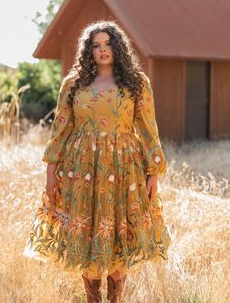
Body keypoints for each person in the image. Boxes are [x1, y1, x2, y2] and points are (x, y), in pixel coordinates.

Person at [23, 20, 171, 303]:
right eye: (96, 45)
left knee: (118, 236)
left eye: (108, 44)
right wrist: (50, 174)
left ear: (117, 47)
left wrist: (153, 172)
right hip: (81, 170)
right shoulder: (74, 83)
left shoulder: (137, 83)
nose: (102, 50)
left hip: (124, 170)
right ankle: (93, 299)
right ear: (88, 50)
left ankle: (115, 299)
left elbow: (148, 129)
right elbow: (61, 129)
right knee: (88, 234)